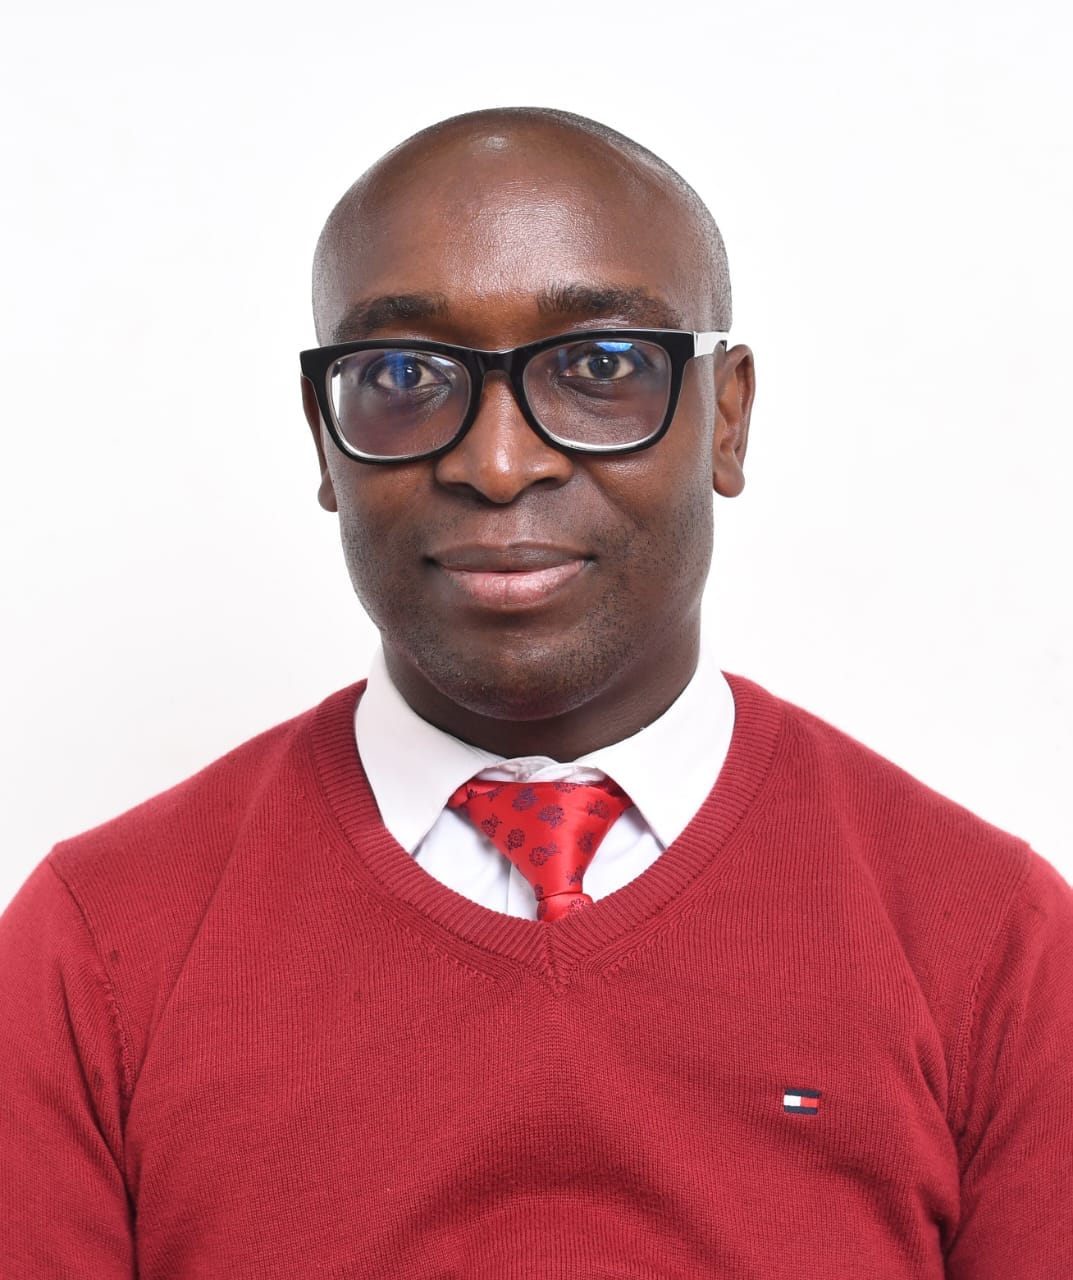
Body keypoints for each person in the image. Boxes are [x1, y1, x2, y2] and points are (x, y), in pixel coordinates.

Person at [1, 107, 1070, 1279]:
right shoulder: (93, 953)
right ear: (323, 439)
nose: (499, 463)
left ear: (725, 417)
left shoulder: (991, 942)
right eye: (402, 373)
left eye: (600, 365)